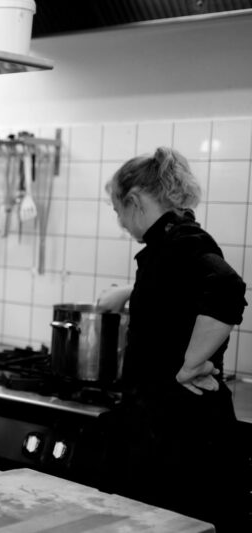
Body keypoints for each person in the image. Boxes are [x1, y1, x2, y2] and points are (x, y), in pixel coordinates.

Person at [97, 147, 247, 532]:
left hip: (180, 433)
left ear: (134, 202)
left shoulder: (181, 241)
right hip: (167, 425)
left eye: (118, 211)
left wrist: (192, 364)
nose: (121, 223)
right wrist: (132, 292)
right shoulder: (171, 244)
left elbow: (227, 287)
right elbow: (181, 290)